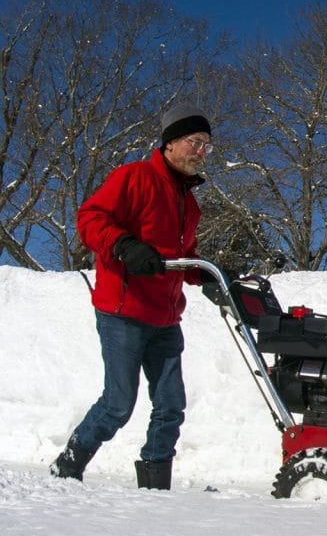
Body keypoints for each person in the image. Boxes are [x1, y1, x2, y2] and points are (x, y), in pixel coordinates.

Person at [50, 103, 213, 490]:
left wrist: (206, 274)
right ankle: (68, 465)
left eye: (207, 145)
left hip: (166, 317)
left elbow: (182, 256)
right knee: (118, 403)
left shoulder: (189, 204)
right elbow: (90, 218)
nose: (201, 151)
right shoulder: (133, 177)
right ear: (170, 143)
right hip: (123, 312)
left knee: (171, 405)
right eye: (195, 142)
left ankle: (155, 485)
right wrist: (124, 246)